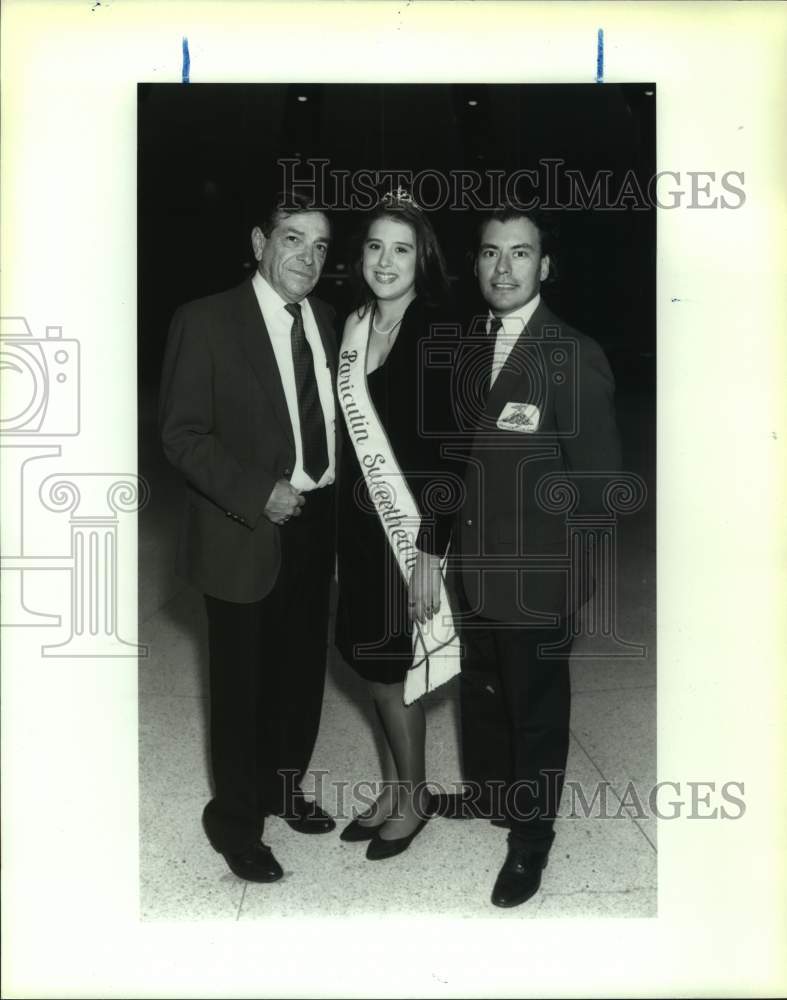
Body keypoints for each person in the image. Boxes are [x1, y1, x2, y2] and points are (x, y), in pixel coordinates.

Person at [159, 190, 339, 883]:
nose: (307, 257)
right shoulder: (205, 320)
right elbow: (181, 434)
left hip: (315, 521)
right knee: (240, 684)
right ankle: (235, 821)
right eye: (294, 238)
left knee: (298, 672)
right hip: (243, 524)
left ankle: (282, 785)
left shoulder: (326, 321)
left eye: (321, 246)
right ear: (260, 240)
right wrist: (256, 491)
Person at [450, 206, 621, 906]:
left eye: (519, 254)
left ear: (544, 266)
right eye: (491, 253)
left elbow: (600, 489)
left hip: (537, 581)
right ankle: (492, 795)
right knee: (484, 694)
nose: (503, 268)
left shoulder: (570, 353)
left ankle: (530, 841)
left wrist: (567, 591)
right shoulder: (467, 340)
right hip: (475, 566)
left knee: (537, 710)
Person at [334, 191, 460, 860]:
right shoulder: (351, 325)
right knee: (366, 659)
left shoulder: (438, 330)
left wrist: (431, 553)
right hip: (356, 530)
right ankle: (394, 787)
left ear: (422, 259)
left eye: (402, 248)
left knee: (392, 669)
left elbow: (452, 452)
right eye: (375, 246)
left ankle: (413, 799)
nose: (386, 260)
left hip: (408, 532)